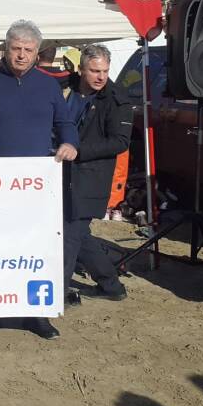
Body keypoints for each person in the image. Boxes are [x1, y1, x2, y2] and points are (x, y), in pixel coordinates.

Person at [0, 19, 78, 340]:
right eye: (16, 49)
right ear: (6, 48)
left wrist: (70, 143)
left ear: (36, 53)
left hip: (35, 186)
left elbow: (65, 123)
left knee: (35, 250)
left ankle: (36, 314)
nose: (21, 55)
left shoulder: (48, 86)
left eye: (28, 50)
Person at [63, 44, 131, 302]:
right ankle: (112, 285)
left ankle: (58, 292)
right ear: (81, 69)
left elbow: (120, 141)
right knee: (80, 234)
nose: (101, 76)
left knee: (70, 233)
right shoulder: (64, 89)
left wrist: (78, 151)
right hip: (60, 173)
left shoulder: (116, 98)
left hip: (91, 177)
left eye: (104, 70)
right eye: (94, 71)